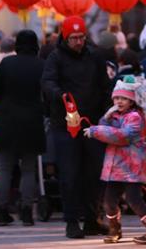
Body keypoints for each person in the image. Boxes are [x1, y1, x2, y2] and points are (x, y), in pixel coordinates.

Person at [41, 15, 111, 239]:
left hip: (92, 124)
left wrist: (107, 111)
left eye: (82, 37)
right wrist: (60, 95)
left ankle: (92, 219)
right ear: (65, 37)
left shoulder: (95, 56)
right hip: (65, 125)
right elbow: (47, 82)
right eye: (74, 38)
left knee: (94, 173)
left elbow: (104, 86)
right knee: (69, 175)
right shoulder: (55, 57)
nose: (79, 42)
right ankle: (71, 221)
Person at [85, 78, 146, 245]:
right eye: (116, 98)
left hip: (132, 167)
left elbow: (123, 136)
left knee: (134, 199)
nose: (119, 101)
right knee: (109, 201)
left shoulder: (136, 117)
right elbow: (106, 128)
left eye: (124, 98)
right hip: (115, 167)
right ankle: (114, 229)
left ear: (132, 101)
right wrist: (106, 117)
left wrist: (95, 131)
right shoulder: (115, 115)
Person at [0, 30, 46, 226]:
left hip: (7, 120)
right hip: (32, 121)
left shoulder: (6, 64)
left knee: (5, 168)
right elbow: (46, 94)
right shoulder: (41, 65)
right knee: (29, 169)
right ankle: (26, 211)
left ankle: (1, 210)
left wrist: (0, 109)